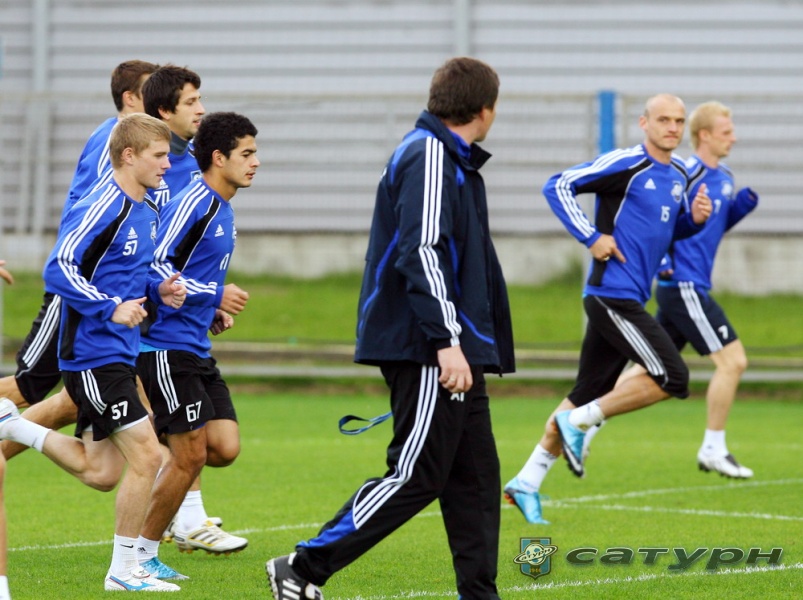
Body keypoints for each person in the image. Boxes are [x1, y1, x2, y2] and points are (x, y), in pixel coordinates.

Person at [265, 56, 514, 600]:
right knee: (415, 473)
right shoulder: (429, 155)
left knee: (475, 480)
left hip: (454, 346)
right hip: (426, 344)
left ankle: (480, 594)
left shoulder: (447, 158)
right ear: (485, 109)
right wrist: (447, 340)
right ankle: (302, 567)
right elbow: (420, 250)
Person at [504, 93, 713, 524]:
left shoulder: (678, 174)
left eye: (679, 121)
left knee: (585, 392)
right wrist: (590, 236)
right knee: (673, 377)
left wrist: (693, 220)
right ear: (644, 123)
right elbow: (558, 184)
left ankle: (526, 481)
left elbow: (663, 231)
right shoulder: (626, 164)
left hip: (629, 297)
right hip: (610, 295)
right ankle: (579, 423)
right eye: (663, 120)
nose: (673, 128)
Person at [0, 113, 184, 592]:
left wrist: (159, 289)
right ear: (129, 155)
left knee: (101, 472)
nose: (167, 165)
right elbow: (59, 268)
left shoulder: (149, 207)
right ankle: (123, 571)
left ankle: (13, 425)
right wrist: (110, 308)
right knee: (149, 455)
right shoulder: (102, 204)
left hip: (120, 351)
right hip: (92, 355)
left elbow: (132, 272)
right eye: (159, 156)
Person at [0, 60, 159, 460]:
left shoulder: (147, 147)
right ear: (130, 98)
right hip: (78, 289)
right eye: (152, 93)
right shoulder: (113, 144)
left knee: (79, 410)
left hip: (107, 295)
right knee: (29, 384)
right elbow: (86, 222)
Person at [133, 112, 258, 580]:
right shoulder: (195, 203)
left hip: (195, 344)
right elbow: (154, 264)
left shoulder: (223, 208)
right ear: (219, 158)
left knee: (223, 446)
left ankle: (145, 442)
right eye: (247, 153)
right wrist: (214, 294)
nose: (256, 162)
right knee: (190, 456)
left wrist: (211, 311)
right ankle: (139, 558)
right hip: (164, 348)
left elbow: (188, 274)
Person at [611, 101, 757, 479]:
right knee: (733, 362)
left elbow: (710, 227)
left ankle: (585, 421)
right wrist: (662, 261)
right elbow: (661, 222)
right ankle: (713, 448)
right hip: (682, 285)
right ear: (704, 135)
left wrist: (739, 209)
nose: (734, 138)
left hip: (691, 285)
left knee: (648, 368)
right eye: (727, 132)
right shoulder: (685, 174)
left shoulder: (725, 176)